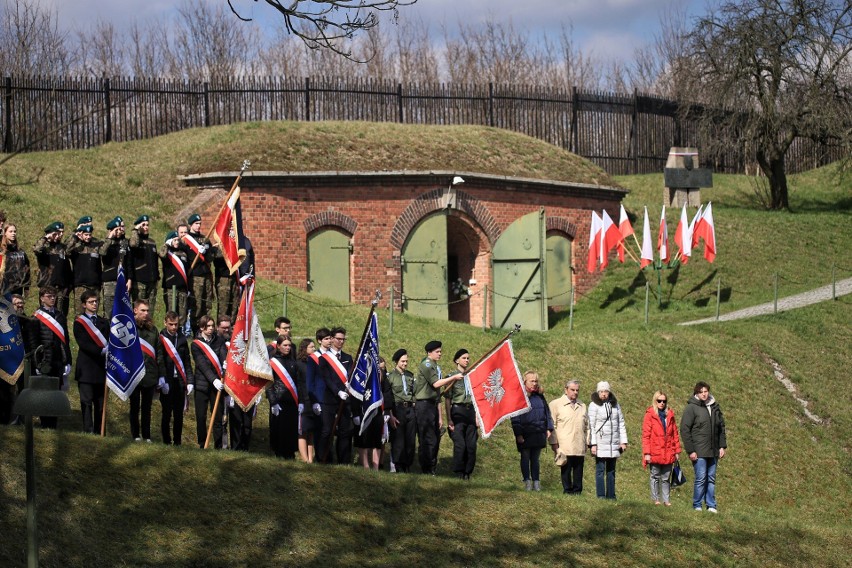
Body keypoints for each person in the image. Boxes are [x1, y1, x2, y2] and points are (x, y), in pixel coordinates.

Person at [414, 340, 462, 475]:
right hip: (424, 405)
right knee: (427, 438)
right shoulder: (427, 365)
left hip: (432, 405)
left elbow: (437, 394)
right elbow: (436, 384)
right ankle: (427, 469)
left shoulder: (435, 366)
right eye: (437, 352)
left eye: (440, 351)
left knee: (435, 437)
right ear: (430, 352)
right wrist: (453, 378)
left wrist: (440, 415)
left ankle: (431, 467)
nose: (440, 354)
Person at [680, 381, 727, 513]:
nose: (704, 394)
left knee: (711, 478)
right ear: (696, 393)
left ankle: (711, 505)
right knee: (701, 478)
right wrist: (691, 450)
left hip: (714, 450)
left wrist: (722, 446)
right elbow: (685, 429)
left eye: (705, 391)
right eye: (701, 392)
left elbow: (721, 427)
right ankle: (697, 505)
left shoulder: (715, 407)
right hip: (699, 451)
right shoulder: (691, 408)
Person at [31, 286, 72, 429]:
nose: (52, 298)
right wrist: (37, 364)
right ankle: (45, 424)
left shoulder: (60, 315)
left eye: (54, 296)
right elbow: (33, 343)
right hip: (44, 362)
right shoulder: (36, 318)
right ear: (42, 298)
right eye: (49, 296)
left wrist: (69, 361)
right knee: (45, 394)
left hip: (58, 360)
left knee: (55, 393)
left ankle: (53, 425)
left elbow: (65, 340)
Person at [316, 326, 354, 464]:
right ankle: (323, 459)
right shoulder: (324, 358)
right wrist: (338, 391)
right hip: (329, 399)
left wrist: (348, 387)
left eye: (343, 339)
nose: (341, 342)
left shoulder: (348, 358)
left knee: (345, 431)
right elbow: (326, 378)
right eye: (338, 339)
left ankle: (344, 461)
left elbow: (350, 376)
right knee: (327, 430)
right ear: (331, 339)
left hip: (345, 399)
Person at [73, 290, 109, 434]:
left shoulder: (104, 322)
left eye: (96, 301)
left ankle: (100, 431)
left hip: (101, 368)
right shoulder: (79, 322)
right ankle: (88, 430)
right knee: (86, 402)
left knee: (100, 403)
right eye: (91, 302)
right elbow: (83, 343)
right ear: (84, 304)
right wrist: (100, 351)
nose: (94, 304)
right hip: (86, 368)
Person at [511, 371, 553, 491]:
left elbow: (546, 412)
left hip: (539, 432)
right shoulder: (519, 395)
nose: (534, 383)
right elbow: (515, 417)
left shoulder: (540, 396)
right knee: (525, 457)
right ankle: (527, 481)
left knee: (535, 459)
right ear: (525, 382)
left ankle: (536, 482)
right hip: (525, 433)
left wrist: (549, 428)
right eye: (532, 381)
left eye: (536, 381)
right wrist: (518, 433)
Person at [190, 314, 227, 448]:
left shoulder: (219, 340)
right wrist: (214, 380)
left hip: (217, 387)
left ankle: (218, 445)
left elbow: (223, 355)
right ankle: (202, 444)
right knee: (201, 417)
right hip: (202, 385)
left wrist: (225, 364)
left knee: (217, 418)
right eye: (208, 326)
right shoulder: (195, 344)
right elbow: (202, 365)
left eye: (212, 326)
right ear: (201, 327)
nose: (211, 329)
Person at [156, 311, 193, 446]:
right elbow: (159, 360)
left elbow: (187, 362)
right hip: (167, 381)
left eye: (176, 324)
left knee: (179, 414)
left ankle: (177, 441)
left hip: (179, 381)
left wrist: (189, 381)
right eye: (171, 324)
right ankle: (166, 441)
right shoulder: (161, 338)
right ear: (165, 323)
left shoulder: (182, 339)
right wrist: (161, 380)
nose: (173, 327)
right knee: (166, 413)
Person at [587, 380, 628, 499]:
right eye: (601, 391)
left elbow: (621, 423)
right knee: (600, 470)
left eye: (606, 391)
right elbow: (591, 425)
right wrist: (593, 444)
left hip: (613, 443)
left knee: (611, 471)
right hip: (600, 442)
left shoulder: (615, 405)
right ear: (598, 392)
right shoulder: (593, 405)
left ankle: (611, 495)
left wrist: (623, 441)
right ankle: (601, 495)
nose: (604, 393)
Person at [641, 390, 681, 506]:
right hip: (655, 451)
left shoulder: (670, 415)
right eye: (659, 401)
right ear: (655, 401)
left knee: (666, 477)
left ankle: (666, 500)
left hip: (668, 451)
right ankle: (655, 499)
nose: (662, 403)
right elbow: (646, 435)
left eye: (664, 401)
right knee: (655, 476)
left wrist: (677, 450)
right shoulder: (650, 415)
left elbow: (675, 434)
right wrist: (647, 453)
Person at [549, 379, 588, 494]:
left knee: (578, 471)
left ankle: (578, 492)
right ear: (566, 390)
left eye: (577, 390)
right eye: (572, 390)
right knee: (565, 471)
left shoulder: (582, 405)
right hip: (564, 446)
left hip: (579, 445)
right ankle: (567, 492)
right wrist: (554, 445)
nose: (575, 392)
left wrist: (587, 442)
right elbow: (552, 426)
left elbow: (587, 426)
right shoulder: (555, 404)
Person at [444, 348, 477, 480]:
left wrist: (477, 418)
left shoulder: (473, 376)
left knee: (471, 445)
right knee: (460, 445)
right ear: (457, 360)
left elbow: (477, 398)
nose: (467, 360)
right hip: (458, 411)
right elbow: (447, 399)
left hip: (471, 412)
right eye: (464, 358)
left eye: (468, 358)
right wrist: (449, 419)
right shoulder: (452, 377)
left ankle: (467, 472)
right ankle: (459, 471)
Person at [129, 299, 159, 442]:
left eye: (147, 310)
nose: (146, 313)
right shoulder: (129, 327)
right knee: (134, 406)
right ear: (135, 310)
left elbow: (158, 352)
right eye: (143, 310)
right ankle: (135, 435)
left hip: (150, 373)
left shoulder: (153, 330)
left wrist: (161, 375)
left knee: (147, 407)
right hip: (134, 372)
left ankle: (147, 435)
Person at [267, 335, 302, 459]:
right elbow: (268, 384)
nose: (288, 348)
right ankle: (279, 453)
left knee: (291, 429)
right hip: (279, 401)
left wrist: (301, 401)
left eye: (289, 345)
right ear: (278, 346)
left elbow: (298, 382)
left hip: (292, 401)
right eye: (285, 345)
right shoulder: (272, 362)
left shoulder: (293, 361)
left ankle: (290, 453)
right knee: (279, 429)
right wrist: (273, 401)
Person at [354, 356, 391, 470]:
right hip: (363, 411)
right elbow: (356, 393)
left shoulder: (383, 377)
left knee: (377, 440)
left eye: (381, 370)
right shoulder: (362, 377)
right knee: (364, 439)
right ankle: (365, 466)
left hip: (379, 411)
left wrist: (386, 411)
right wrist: (355, 412)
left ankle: (375, 467)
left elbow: (387, 394)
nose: (380, 372)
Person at [32, 221, 73, 318]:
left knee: (60, 316)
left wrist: (68, 285)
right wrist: (46, 237)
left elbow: (67, 267)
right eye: (58, 232)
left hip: (61, 288)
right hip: (47, 286)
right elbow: (37, 249)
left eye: (62, 232)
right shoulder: (45, 248)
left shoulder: (62, 248)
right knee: (46, 315)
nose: (61, 235)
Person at [180, 213, 213, 333]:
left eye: (200, 223)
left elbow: (210, 258)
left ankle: (206, 328)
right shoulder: (186, 240)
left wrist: (206, 251)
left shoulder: (205, 239)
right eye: (196, 224)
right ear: (190, 225)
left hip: (206, 275)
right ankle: (195, 330)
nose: (198, 226)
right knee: (197, 305)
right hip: (195, 276)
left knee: (207, 304)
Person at [386, 348, 416, 473]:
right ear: (396, 361)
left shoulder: (410, 375)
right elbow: (389, 397)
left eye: (406, 361)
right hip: (397, 409)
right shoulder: (391, 377)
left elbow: (413, 392)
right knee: (399, 439)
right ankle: (398, 465)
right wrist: (391, 415)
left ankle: (407, 464)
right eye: (402, 361)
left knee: (410, 439)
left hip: (409, 409)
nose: (405, 364)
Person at [68, 223, 103, 315]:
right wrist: (75, 237)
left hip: (94, 285)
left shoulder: (95, 247)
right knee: (80, 313)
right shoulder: (76, 247)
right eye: (86, 235)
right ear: (81, 234)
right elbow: (66, 250)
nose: (88, 237)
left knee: (93, 313)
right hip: (81, 285)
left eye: (89, 235)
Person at [129, 215, 160, 315]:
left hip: (152, 281)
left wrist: (157, 277)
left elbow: (155, 261)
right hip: (140, 281)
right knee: (139, 310)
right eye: (143, 225)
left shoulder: (152, 242)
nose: (146, 227)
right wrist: (135, 230)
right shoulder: (136, 241)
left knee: (149, 311)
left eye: (147, 225)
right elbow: (133, 244)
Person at [160, 231, 190, 329]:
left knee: (182, 312)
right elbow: (162, 255)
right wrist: (166, 245)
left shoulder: (183, 253)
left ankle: (181, 331)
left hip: (182, 287)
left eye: (178, 240)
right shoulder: (168, 253)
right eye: (174, 240)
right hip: (170, 287)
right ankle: (170, 330)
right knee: (171, 312)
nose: (177, 242)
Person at [295, 337, 317, 463]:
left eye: (314, 347)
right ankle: (304, 459)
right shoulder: (299, 363)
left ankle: (310, 458)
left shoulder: (314, 362)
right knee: (303, 431)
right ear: (304, 348)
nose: (314, 349)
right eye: (311, 347)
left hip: (313, 401)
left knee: (311, 432)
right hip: (303, 400)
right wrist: (300, 401)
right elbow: (298, 383)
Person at [1, 223, 31, 297]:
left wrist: (26, 286)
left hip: (18, 287)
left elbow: (27, 269)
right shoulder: (2, 251)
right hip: (4, 288)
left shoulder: (21, 252)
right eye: (10, 231)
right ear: (5, 233)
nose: (13, 234)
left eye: (14, 231)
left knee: (17, 308)